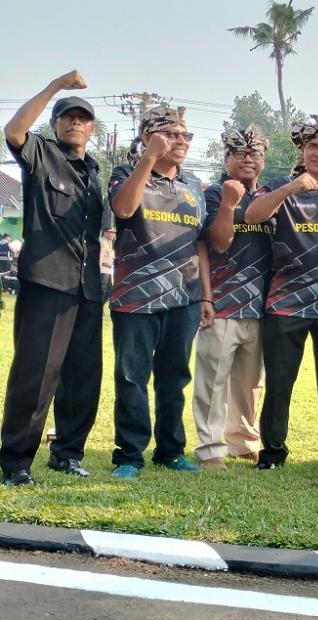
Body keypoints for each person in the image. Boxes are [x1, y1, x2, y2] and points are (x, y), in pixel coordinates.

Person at [0, 70, 107, 486]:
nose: (76, 122)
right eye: (68, 116)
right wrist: (55, 87)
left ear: (92, 129)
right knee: (37, 373)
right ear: (56, 123)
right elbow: (14, 131)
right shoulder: (42, 154)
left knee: (83, 374)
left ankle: (67, 454)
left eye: (83, 118)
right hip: (47, 281)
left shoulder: (94, 173)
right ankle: (15, 462)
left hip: (87, 286)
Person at [245, 115, 318, 471]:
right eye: (313, 146)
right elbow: (252, 215)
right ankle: (272, 453)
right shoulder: (281, 186)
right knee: (280, 382)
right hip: (285, 303)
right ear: (303, 150)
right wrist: (292, 187)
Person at [108, 104, 208, 479]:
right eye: (172, 134)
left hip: (184, 296)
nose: (181, 141)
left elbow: (201, 242)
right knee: (132, 376)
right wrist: (148, 158)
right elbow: (123, 208)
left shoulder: (194, 185)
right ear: (149, 137)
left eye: (186, 135)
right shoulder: (126, 174)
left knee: (175, 376)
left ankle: (171, 450)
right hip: (135, 296)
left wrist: (205, 296)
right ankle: (129, 455)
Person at [191, 125, 271, 470]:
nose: (248, 159)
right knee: (213, 380)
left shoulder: (269, 196)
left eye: (255, 153)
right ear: (226, 158)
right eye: (240, 153)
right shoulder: (211, 194)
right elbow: (217, 244)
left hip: (262, 304)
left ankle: (244, 441)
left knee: (250, 384)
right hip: (222, 301)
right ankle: (210, 447)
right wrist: (228, 204)